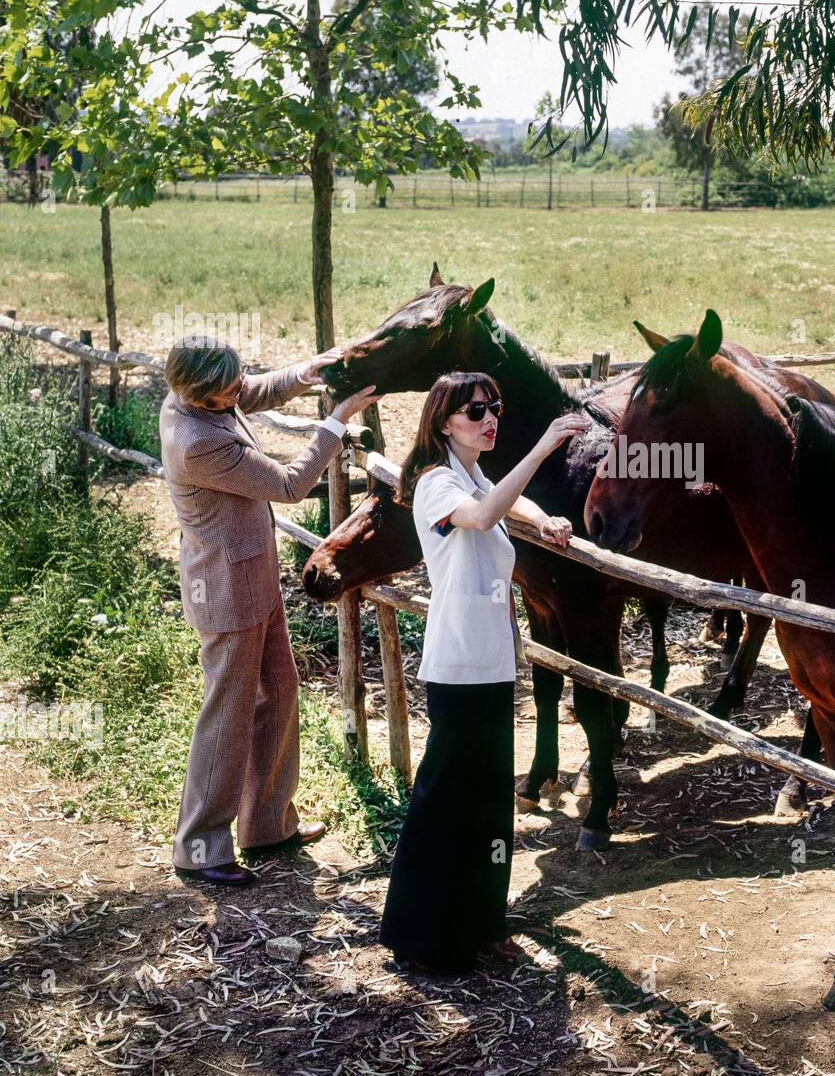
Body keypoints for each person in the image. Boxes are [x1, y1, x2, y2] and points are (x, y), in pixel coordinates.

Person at [380, 371, 585, 971]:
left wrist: (545, 516)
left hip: (493, 662)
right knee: (444, 801)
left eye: (495, 407)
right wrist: (544, 445)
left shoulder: (469, 474)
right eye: (476, 410)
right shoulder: (434, 484)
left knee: (490, 802)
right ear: (444, 420)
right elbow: (484, 511)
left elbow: (505, 498)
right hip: (457, 665)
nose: (490, 417)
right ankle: (424, 936)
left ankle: (485, 922)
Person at [159, 335, 378, 887]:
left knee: (278, 691)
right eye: (227, 390)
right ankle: (202, 846)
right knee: (227, 713)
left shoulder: (202, 399)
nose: (239, 393)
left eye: (236, 382)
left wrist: (306, 372)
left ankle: (267, 825)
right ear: (199, 395)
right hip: (227, 592)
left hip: (253, 577)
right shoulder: (196, 443)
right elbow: (289, 484)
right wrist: (336, 423)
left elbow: (252, 390)